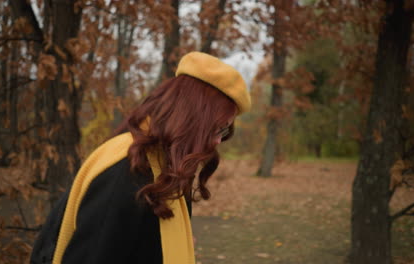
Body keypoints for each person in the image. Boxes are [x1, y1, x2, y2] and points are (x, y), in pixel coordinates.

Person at [30, 51, 251, 264]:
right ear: (190, 118)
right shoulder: (125, 172)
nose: (217, 142)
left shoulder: (165, 167)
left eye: (224, 131)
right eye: (216, 129)